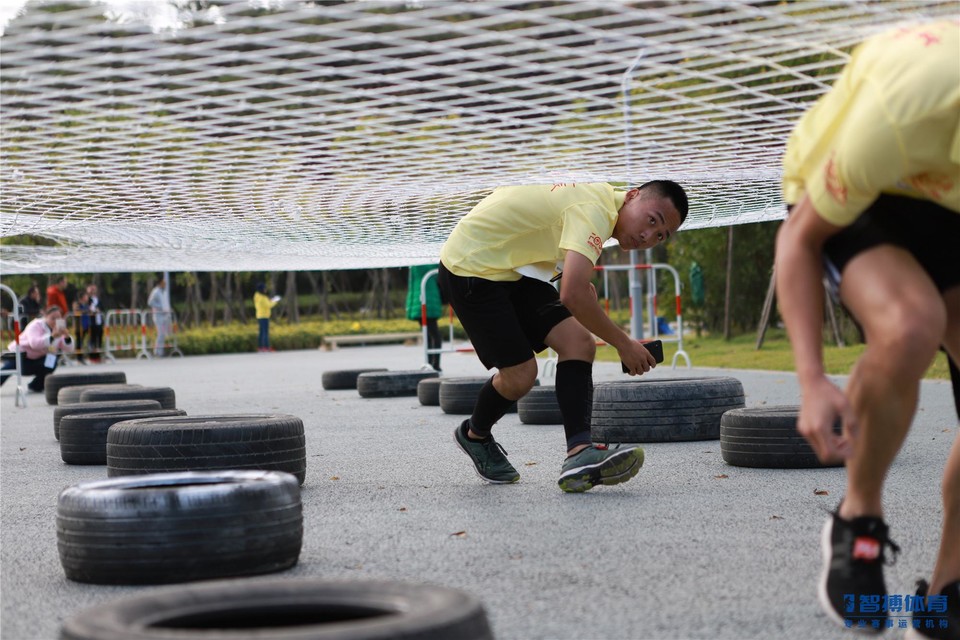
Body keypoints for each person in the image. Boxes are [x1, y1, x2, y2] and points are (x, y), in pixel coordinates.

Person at [774, 20, 959, 638]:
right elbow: (799, 241)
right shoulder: (911, 102)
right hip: (861, 196)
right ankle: (858, 519)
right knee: (911, 325)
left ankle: (945, 596)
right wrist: (809, 379)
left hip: (947, 197)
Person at [438, 180, 688, 492]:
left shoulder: (602, 206)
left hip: (512, 267)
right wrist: (625, 344)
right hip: (471, 265)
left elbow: (553, 244)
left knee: (579, 343)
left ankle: (579, 453)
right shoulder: (595, 209)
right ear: (633, 196)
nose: (648, 236)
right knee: (521, 376)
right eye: (652, 220)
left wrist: (574, 281)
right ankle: (474, 435)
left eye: (660, 236)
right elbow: (573, 295)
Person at [0, 306, 74, 392]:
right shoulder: (35, 325)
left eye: (58, 318)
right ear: (46, 316)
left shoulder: (58, 330)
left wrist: (67, 337)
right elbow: (34, 344)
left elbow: (68, 349)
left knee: (52, 361)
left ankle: (35, 386)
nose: (55, 321)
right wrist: (52, 337)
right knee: (9, 368)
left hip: (37, 359)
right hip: (21, 355)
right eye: (53, 318)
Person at [406, 263, 443, 371]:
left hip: (422, 301)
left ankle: (432, 363)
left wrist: (410, 306)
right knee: (432, 335)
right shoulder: (427, 262)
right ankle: (433, 364)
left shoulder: (415, 263)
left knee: (431, 334)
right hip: (425, 301)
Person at [253, 283, 280, 352]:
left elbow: (266, 303)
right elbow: (269, 305)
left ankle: (260, 347)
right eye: (264, 288)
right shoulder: (262, 298)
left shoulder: (257, 296)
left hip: (259, 315)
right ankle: (266, 347)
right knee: (265, 332)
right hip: (264, 316)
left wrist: (270, 300)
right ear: (261, 289)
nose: (265, 290)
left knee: (261, 332)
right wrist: (275, 301)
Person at [147, 278, 169, 357]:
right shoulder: (156, 291)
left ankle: (161, 352)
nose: (165, 284)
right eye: (164, 283)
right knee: (160, 333)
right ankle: (156, 351)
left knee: (163, 334)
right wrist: (160, 307)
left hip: (164, 315)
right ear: (160, 283)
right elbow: (150, 302)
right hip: (158, 315)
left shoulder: (163, 292)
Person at [85, 283, 104, 363]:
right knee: (92, 339)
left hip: (99, 321)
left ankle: (99, 356)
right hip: (92, 322)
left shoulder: (98, 299)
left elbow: (102, 307)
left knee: (99, 339)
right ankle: (92, 357)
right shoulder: (88, 299)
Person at [72, 291, 91, 364]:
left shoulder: (86, 304)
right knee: (79, 342)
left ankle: (82, 357)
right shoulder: (76, 304)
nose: (87, 298)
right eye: (86, 296)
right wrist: (85, 311)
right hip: (79, 326)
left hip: (86, 325)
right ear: (82, 297)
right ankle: (79, 358)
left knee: (83, 342)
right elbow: (76, 311)